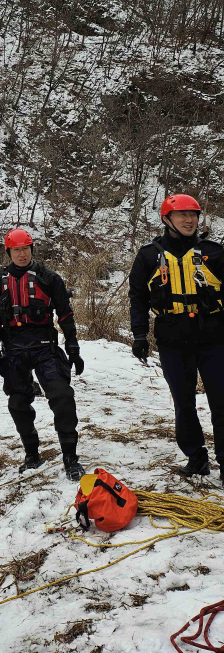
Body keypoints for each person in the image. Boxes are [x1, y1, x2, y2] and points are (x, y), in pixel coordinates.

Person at [129, 194, 224, 480]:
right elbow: (138, 298)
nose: (189, 220)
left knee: (221, 401)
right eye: (182, 214)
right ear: (166, 219)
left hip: (214, 336)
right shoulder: (149, 255)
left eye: (193, 214)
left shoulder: (214, 252)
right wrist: (139, 335)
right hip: (172, 338)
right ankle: (196, 457)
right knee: (184, 402)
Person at [0, 228, 85, 480]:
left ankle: (70, 457)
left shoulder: (49, 278)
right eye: (17, 250)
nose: (22, 254)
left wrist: (73, 347)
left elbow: (65, 314)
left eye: (26, 249)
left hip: (44, 345)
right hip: (14, 348)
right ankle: (31, 454)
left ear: (32, 249)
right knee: (17, 403)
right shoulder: (0, 282)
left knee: (62, 396)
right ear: (9, 252)